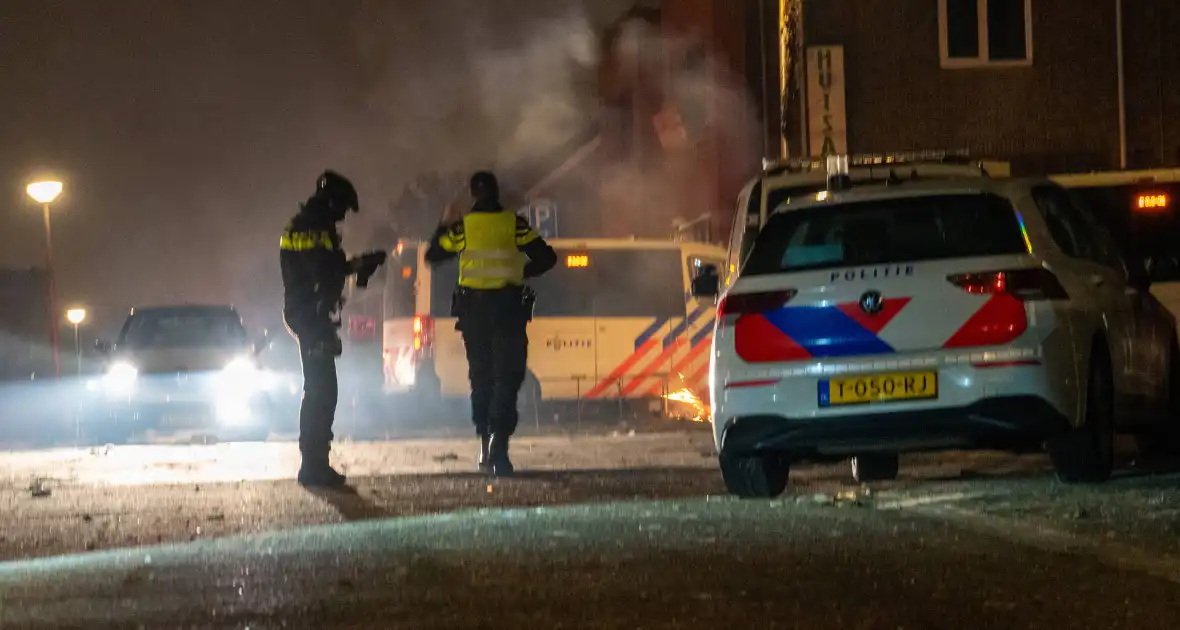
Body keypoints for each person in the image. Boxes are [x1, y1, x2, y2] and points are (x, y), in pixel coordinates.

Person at [425, 171, 557, 476]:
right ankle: (500, 448)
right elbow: (547, 258)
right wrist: (524, 272)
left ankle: (484, 446)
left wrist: (445, 221)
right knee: (506, 379)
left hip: (474, 314)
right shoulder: (513, 224)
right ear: (497, 193)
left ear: (473, 195)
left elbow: (433, 255)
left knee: (481, 379)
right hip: (508, 310)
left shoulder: (463, 228)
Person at [280, 170, 386, 488]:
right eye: (341, 208)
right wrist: (354, 266)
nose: (342, 217)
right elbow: (322, 270)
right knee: (321, 390)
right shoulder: (312, 227)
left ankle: (314, 462)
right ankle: (313, 465)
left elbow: (324, 268)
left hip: (308, 313)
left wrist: (357, 265)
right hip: (310, 315)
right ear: (331, 201)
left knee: (321, 389)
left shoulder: (309, 224)